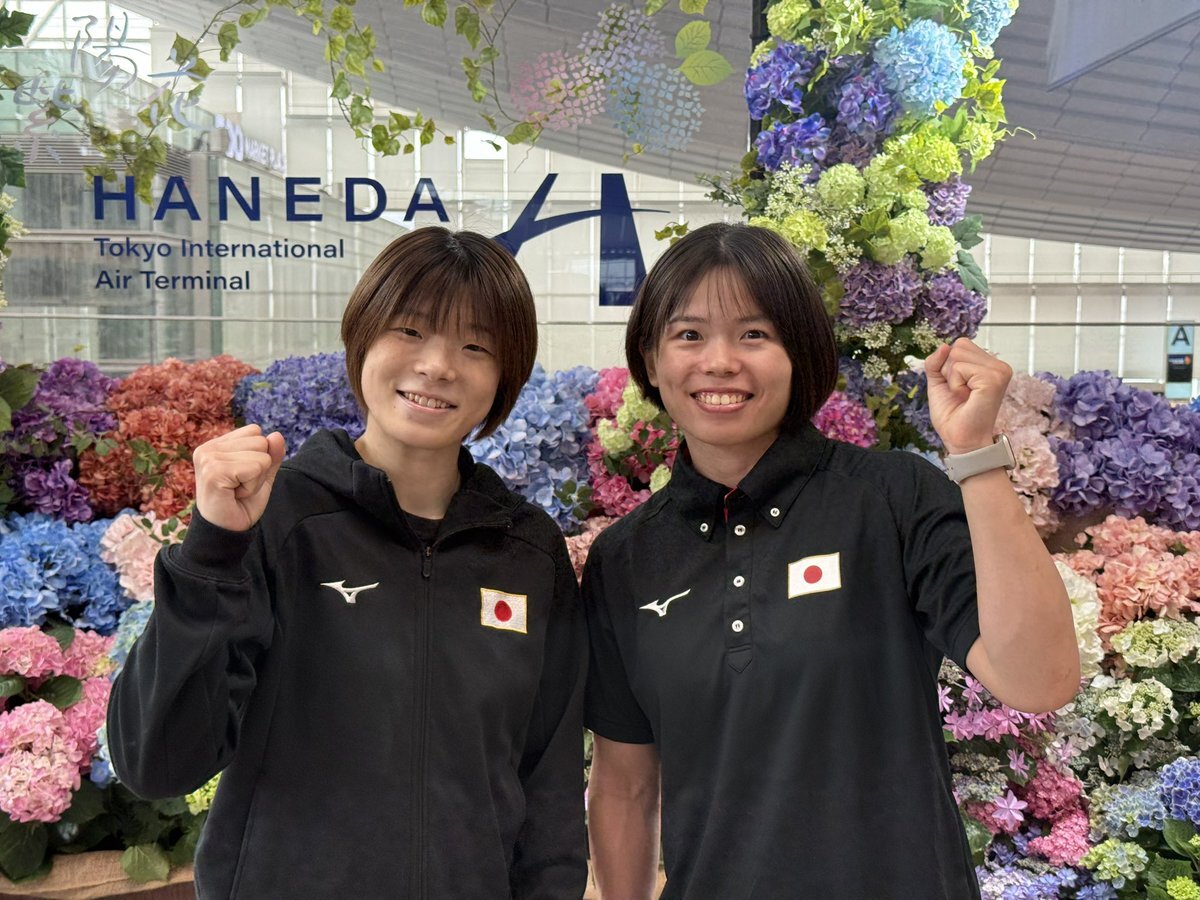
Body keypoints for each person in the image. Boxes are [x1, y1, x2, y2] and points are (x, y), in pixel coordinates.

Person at [582, 222, 1080, 899]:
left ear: (800, 352)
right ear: (650, 357)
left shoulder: (892, 498)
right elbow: (625, 785)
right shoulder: (627, 558)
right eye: (689, 334)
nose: (719, 362)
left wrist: (976, 457)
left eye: (754, 334)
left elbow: (1040, 679)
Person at [107, 227, 588, 899]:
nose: (438, 366)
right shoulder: (275, 519)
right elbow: (157, 761)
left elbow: (550, 788)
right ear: (362, 336)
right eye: (410, 330)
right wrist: (212, 549)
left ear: (506, 376)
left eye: (476, 346)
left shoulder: (528, 552)